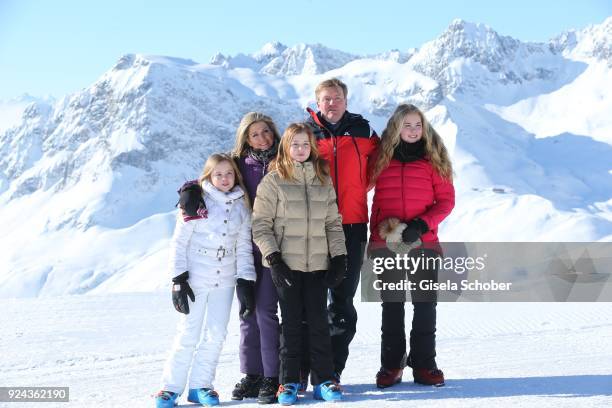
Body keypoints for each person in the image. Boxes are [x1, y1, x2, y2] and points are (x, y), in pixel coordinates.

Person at [252, 123, 347, 405]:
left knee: (319, 323)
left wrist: (339, 257)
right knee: (291, 324)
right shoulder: (273, 181)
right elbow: (260, 225)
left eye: (306, 144)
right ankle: (289, 382)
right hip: (287, 265)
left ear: (312, 147)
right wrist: (273, 258)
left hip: (318, 264)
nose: (301, 149)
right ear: (285, 147)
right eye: (295, 144)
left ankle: (324, 380)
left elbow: (332, 223)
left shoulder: (322, 179)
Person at [155, 153, 256, 408]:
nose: (224, 178)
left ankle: (201, 385)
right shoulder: (196, 202)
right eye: (218, 174)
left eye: (229, 173)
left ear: (236, 176)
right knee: (188, 333)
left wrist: (246, 281)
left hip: (225, 279)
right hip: (196, 277)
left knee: (216, 334)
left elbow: (244, 248)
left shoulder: (241, 207)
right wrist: (178, 280)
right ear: (208, 176)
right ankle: (170, 388)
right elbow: (179, 243)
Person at [367, 103, 455, 388]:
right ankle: (391, 365)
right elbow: (367, 195)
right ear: (396, 128)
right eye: (407, 125)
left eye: (418, 125)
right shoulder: (381, 159)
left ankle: (424, 365)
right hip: (387, 243)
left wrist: (421, 224)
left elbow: (446, 202)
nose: (414, 130)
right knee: (392, 306)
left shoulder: (434, 160)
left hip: (423, 243)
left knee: (425, 305)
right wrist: (374, 239)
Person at [305, 77, 379, 380]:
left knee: (342, 301)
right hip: (312, 227)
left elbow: (383, 162)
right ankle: (298, 371)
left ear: (346, 101)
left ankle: (330, 372)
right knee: (308, 301)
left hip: (352, 225)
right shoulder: (304, 133)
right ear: (317, 102)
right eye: (326, 99)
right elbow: (275, 166)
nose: (331, 103)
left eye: (337, 98)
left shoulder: (363, 131)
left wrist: (360, 189)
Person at [229, 112, 282, 404]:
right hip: (246, 249)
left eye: (266, 132)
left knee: (265, 311)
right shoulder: (238, 165)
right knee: (248, 311)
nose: (262, 138)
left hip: (276, 247)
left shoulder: (285, 160)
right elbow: (212, 177)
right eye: (254, 134)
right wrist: (189, 190)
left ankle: (272, 376)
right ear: (245, 139)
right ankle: (252, 374)